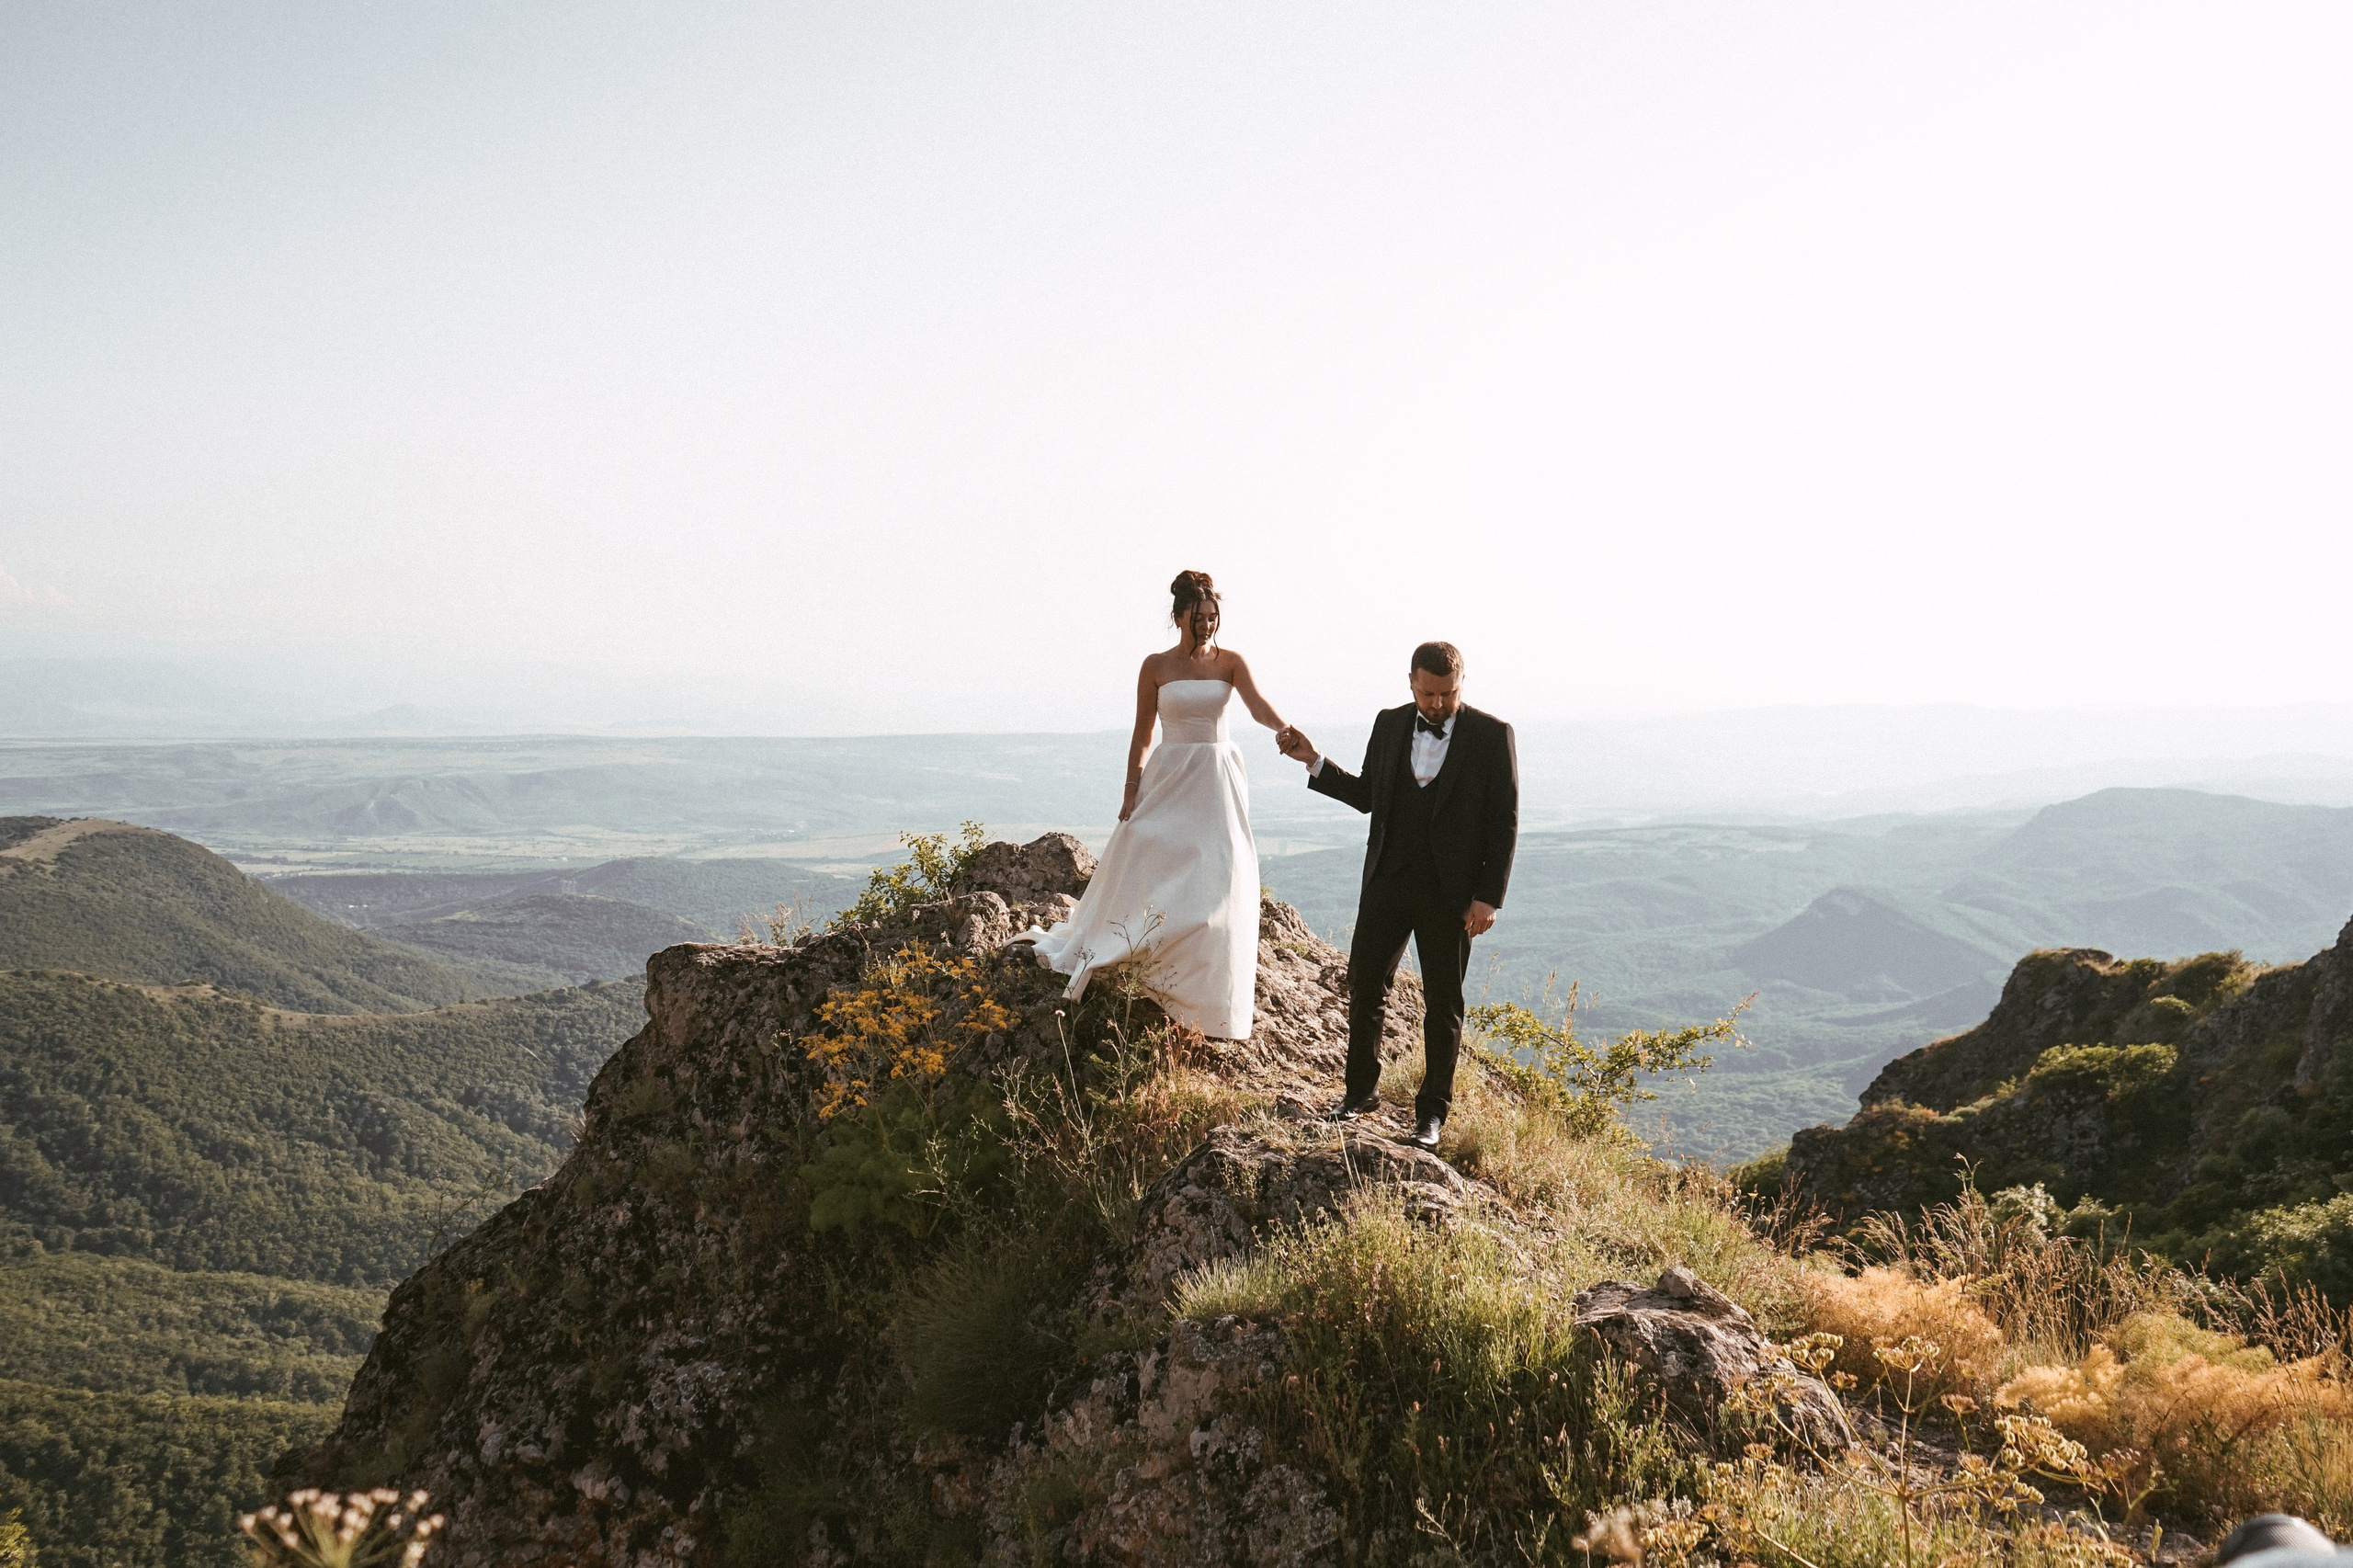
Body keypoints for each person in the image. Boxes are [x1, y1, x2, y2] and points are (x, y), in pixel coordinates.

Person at [1018, 570, 1292, 1040]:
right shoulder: (1155, 666)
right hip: (1171, 771)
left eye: (1213, 617)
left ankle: (1207, 980)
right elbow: (1143, 732)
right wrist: (1131, 789)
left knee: (1217, 865)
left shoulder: (1231, 662)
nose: (1207, 625)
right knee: (1145, 842)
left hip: (1217, 774)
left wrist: (1284, 730)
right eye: (1198, 617)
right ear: (1179, 616)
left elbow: (1258, 706)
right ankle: (1140, 944)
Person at [1276, 642, 1518, 1153]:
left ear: (1461, 683)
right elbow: (1368, 795)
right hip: (1388, 879)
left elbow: (1504, 822)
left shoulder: (1493, 736)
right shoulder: (1388, 723)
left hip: (1450, 896)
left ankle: (1431, 1116)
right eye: (1428, 693)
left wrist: (1488, 897)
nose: (1436, 704)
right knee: (1365, 986)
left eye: (1447, 694)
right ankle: (1359, 1093)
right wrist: (1315, 761)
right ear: (1411, 682)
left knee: (1443, 1005)